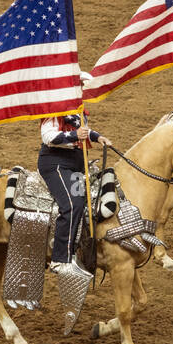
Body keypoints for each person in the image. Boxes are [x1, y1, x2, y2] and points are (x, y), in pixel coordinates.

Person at [38, 104, 112, 281]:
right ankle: (59, 258)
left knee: (86, 204)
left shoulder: (77, 110)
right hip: (56, 164)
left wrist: (97, 137)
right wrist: (74, 135)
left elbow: (83, 131)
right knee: (72, 204)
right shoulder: (53, 110)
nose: (80, 89)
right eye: (78, 85)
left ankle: (76, 250)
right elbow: (48, 137)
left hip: (75, 165)